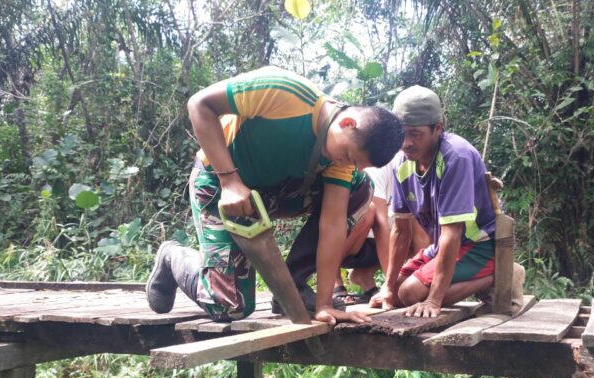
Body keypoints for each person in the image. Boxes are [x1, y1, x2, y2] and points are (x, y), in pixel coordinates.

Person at [146, 66, 404, 325]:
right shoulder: (284, 91)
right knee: (229, 307)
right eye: (350, 156)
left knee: (359, 188)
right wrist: (229, 180)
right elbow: (199, 104)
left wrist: (325, 304)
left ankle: (291, 288)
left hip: (272, 192)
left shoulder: (342, 154)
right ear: (348, 124)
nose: (349, 163)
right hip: (219, 184)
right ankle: (172, 257)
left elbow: (333, 224)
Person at [370, 86, 498, 317]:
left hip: (480, 245)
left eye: (415, 134)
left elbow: (453, 232)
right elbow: (400, 230)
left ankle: (499, 276)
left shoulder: (455, 157)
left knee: (410, 294)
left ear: (437, 128)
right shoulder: (402, 163)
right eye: (402, 133)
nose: (406, 143)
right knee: (398, 293)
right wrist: (387, 287)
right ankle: (409, 289)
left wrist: (433, 300)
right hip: (441, 246)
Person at [332, 159, 431, 304]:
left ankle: (363, 275)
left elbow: (420, 236)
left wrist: (422, 279)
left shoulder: (418, 176)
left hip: (378, 247)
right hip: (350, 240)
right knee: (369, 212)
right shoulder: (379, 169)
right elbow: (381, 225)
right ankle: (334, 283)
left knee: (426, 231)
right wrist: (391, 285)